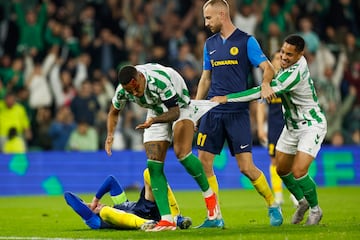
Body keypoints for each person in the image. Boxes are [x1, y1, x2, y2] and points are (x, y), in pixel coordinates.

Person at [211, 34, 327, 225]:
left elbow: (260, 92)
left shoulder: (295, 74)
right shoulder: (286, 65)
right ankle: (302, 202)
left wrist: (226, 98)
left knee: (298, 171)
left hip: (311, 126)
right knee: (281, 169)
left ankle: (315, 209)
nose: (283, 57)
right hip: (291, 126)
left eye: (289, 54)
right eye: (282, 52)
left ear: (300, 55)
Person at [195, 0, 282, 227]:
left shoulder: (246, 41)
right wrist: (195, 108)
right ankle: (215, 216)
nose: (206, 23)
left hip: (237, 112)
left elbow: (268, 68)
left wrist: (265, 84)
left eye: (209, 18)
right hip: (212, 111)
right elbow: (206, 78)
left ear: (222, 15)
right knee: (203, 162)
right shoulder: (209, 44)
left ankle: (272, 204)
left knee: (246, 168)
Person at [105, 63, 220, 231]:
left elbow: (174, 112)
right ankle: (167, 220)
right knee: (153, 164)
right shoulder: (123, 90)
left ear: (140, 78)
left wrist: (154, 121)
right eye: (130, 92)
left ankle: (211, 202)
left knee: (182, 154)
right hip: (155, 110)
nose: (135, 94)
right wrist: (110, 135)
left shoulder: (159, 81)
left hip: (179, 105)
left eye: (135, 89)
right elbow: (113, 112)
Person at [64, 168, 192, 230]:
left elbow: (111, 180)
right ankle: (145, 225)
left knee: (150, 172)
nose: (93, 205)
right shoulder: (96, 221)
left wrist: (96, 199)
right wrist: (93, 210)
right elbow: (68, 197)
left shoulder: (120, 204)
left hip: (146, 208)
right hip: (138, 218)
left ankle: (176, 218)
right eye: (89, 207)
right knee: (105, 211)